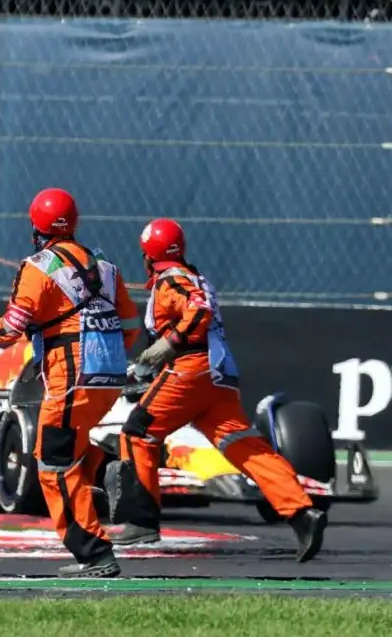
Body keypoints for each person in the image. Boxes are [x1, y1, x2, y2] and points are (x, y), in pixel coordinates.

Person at [106, 217, 327, 563]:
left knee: (137, 433)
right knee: (244, 447)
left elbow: (198, 311)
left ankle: (141, 522)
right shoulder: (195, 276)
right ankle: (301, 513)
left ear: (149, 255)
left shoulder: (171, 280)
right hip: (219, 374)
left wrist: (169, 344)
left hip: (190, 369)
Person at [0, 187, 141, 578]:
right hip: (110, 376)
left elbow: (10, 330)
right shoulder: (106, 267)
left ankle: (94, 554)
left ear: (36, 226)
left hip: (71, 377)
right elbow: (130, 326)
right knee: (68, 449)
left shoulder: (37, 268)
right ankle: (109, 471)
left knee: (53, 464)